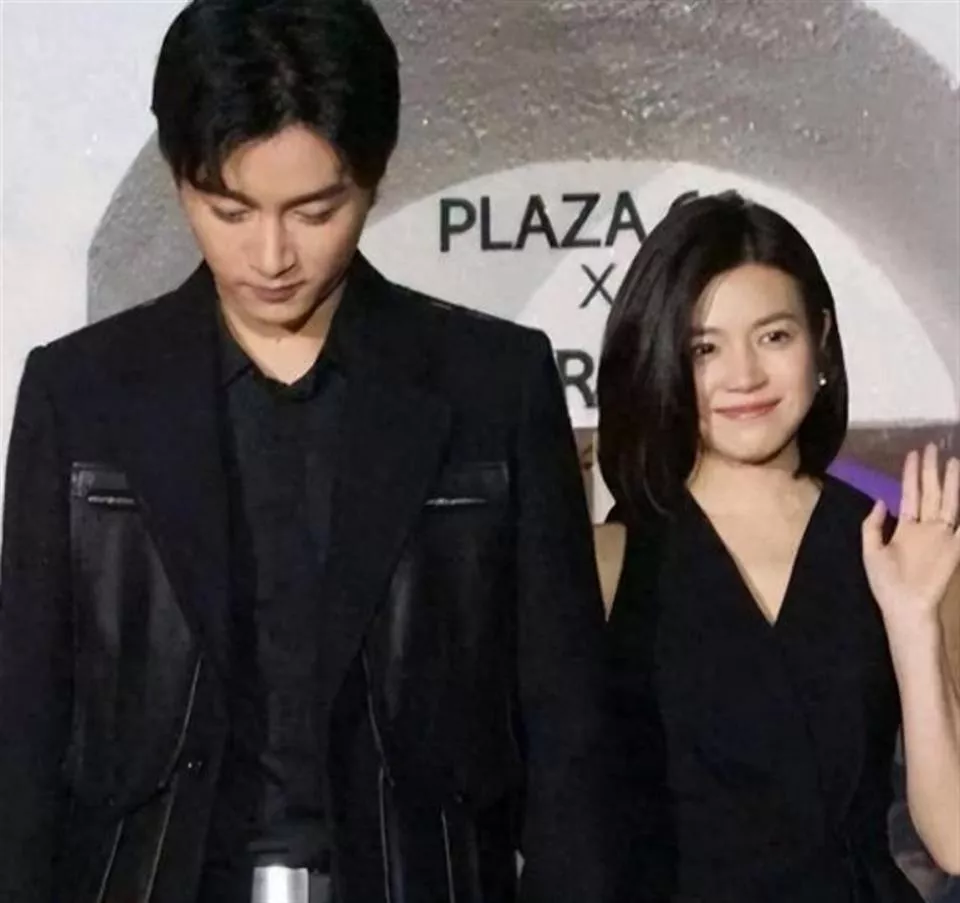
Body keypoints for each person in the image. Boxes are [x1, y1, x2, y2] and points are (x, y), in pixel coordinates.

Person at [0, 2, 608, 901]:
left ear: (375, 175)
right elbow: (26, 724)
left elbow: (569, 734)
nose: (271, 255)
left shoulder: (494, 387)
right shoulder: (81, 393)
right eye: (230, 209)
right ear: (178, 179)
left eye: (316, 210)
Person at [594, 190, 960, 903]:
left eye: (774, 337)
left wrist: (914, 621)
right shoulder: (613, 559)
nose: (744, 378)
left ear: (820, 339)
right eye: (705, 348)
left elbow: (951, 837)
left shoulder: (895, 548)